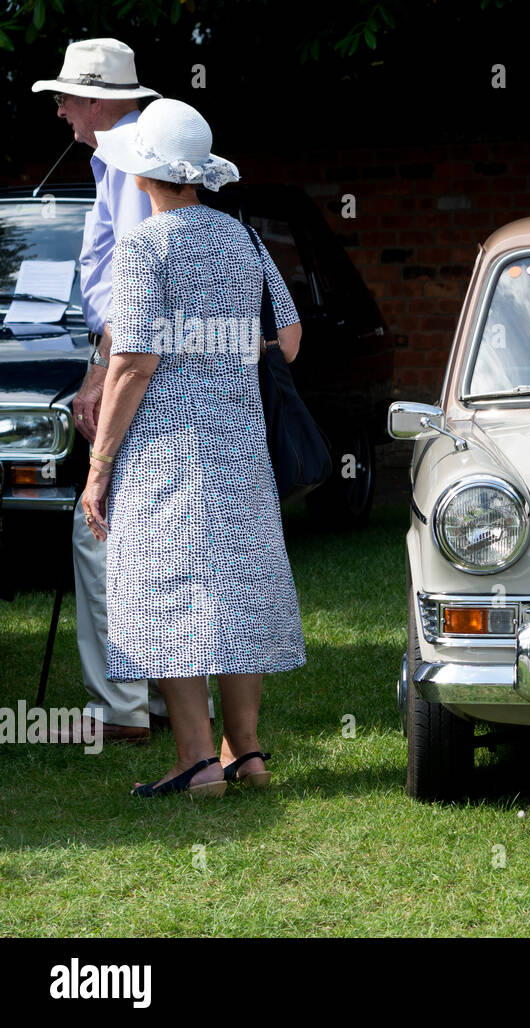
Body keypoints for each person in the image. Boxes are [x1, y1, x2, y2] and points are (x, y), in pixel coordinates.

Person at [80, 98, 306, 797]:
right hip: (240, 443)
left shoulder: (147, 245)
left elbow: (134, 361)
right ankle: (250, 756)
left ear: (145, 175)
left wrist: (99, 465)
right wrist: (227, 358)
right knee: (237, 591)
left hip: (166, 450)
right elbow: (290, 341)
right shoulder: (243, 237)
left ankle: (196, 763)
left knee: (166, 591)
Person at [31, 37, 213, 744]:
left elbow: (139, 293)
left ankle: (121, 704)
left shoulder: (130, 158)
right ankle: (156, 697)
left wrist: (101, 376)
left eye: (69, 97)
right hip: (148, 370)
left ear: (102, 99)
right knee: (139, 533)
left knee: (99, 526)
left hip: (142, 372)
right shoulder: (122, 154)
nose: (61, 112)